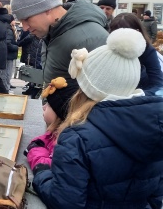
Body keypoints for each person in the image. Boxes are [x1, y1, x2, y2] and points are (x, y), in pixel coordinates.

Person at [32, 29, 163, 209]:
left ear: (85, 87)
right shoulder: (156, 126)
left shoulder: (77, 138)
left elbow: (64, 202)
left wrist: (41, 173)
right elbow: (156, 197)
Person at [11, 0, 108, 88]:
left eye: (27, 19)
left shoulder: (90, 38)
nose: (24, 28)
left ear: (47, 9)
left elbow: (105, 93)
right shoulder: (52, 32)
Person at [24, 77, 79, 170]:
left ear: (60, 113)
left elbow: (46, 167)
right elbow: (43, 140)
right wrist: (37, 145)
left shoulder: (65, 145)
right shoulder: (56, 133)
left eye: (49, 104)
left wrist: (34, 149)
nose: (43, 107)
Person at [109, 13, 163, 94]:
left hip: (140, 91)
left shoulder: (147, 49)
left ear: (137, 32)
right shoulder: (109, 48)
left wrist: (138, 95)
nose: (120, 39)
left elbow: (157, 83)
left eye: (125, 35)